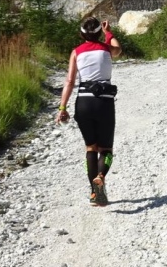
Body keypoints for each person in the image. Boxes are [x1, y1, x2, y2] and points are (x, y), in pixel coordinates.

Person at [55, 16, 122, 206]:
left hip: (83, 103)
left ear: (81, 34)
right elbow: (118, 48)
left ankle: (94, 193)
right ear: (99, 33)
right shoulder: (107, 49)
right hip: (104, 103)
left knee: (91, 147)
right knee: (106, 150)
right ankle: (101, 176)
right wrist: (109, 33)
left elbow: (69, 81)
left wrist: (62, 107)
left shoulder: (76, 52)